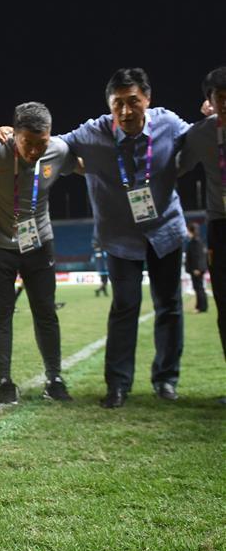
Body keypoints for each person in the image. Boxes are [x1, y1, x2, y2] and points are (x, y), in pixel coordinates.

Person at [60, 68, 190, 408]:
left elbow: (200, 143)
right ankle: (118, 385)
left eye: (134, 102)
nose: (126, 111)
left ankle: (166, 380)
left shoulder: (170, 125)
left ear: (148, 100)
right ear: (109, 105)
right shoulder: (91, 133)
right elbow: (54, 146)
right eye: (118, 103)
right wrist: (11, 133)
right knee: (124, 307)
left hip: (165, 230)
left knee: (170, 307)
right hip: (119, 238)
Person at [0, 102, 76, 404]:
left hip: (40, 244)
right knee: (1, 315)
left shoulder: (59, 150)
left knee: (46, 312)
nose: (35, 150)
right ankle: (5, 381)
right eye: (28, 143)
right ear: (14, 135)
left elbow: (88, 162)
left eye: (41, 143)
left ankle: (55, 378)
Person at [179, 66, 226, 360]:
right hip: (220, 227)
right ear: (210, 100)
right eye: (221, 97)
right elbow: (176, 167)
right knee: (224, 306)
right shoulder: (201, 134)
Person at [185, 223, 208, 313]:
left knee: (199, 288)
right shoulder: (196, 241)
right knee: (198, 288)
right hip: (196, 269)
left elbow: (198, 257)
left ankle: (201, 307)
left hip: (197, 269)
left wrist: (197, 268)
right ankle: (200, 306)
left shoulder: (196, 242)